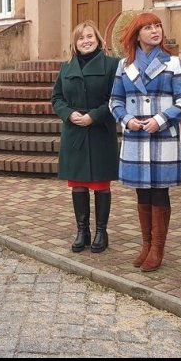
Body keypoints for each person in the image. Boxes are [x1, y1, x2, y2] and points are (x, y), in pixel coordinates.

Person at [109, 13, 181, 272]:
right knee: (141, 191)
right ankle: (145, 245)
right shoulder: (124, 65)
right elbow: (115, 101)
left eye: (157, 26)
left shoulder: (174, 63)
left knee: (159, 191)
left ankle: (157, 249)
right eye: (148, 27)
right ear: (137, 34)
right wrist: (126, 120)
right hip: (135, 136)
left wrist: (160, 119)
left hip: (161, 137)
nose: (155, 31)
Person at [51, 20, 120, 253]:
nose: (86, 41)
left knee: (100, 184)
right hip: (74, 134)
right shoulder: (67, 67)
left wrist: (94, 116)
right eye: (81, 38)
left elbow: (115, 99)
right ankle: (83, 231)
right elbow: (57, 98)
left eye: (90, 36)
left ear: (98, 39)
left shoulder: (112, 65)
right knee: (78, 185)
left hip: (100, 132)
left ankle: (101, 231)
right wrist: (69, 114)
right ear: (75, 43)